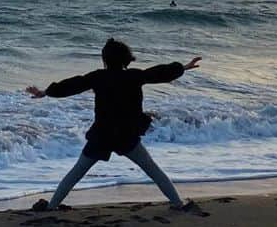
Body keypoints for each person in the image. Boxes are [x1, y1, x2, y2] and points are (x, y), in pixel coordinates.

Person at [26, 38, 200, 210]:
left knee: (77, 172)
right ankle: (178, 203)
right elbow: (159, 73)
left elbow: (72, 85)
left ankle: (52, 206)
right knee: (151, 169)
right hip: (126, 134)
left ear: (104, 60)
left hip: (102, 134)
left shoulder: (97, 77)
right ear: (127, 59)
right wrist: (183, 67)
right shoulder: (134, 76)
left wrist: (46, 92)